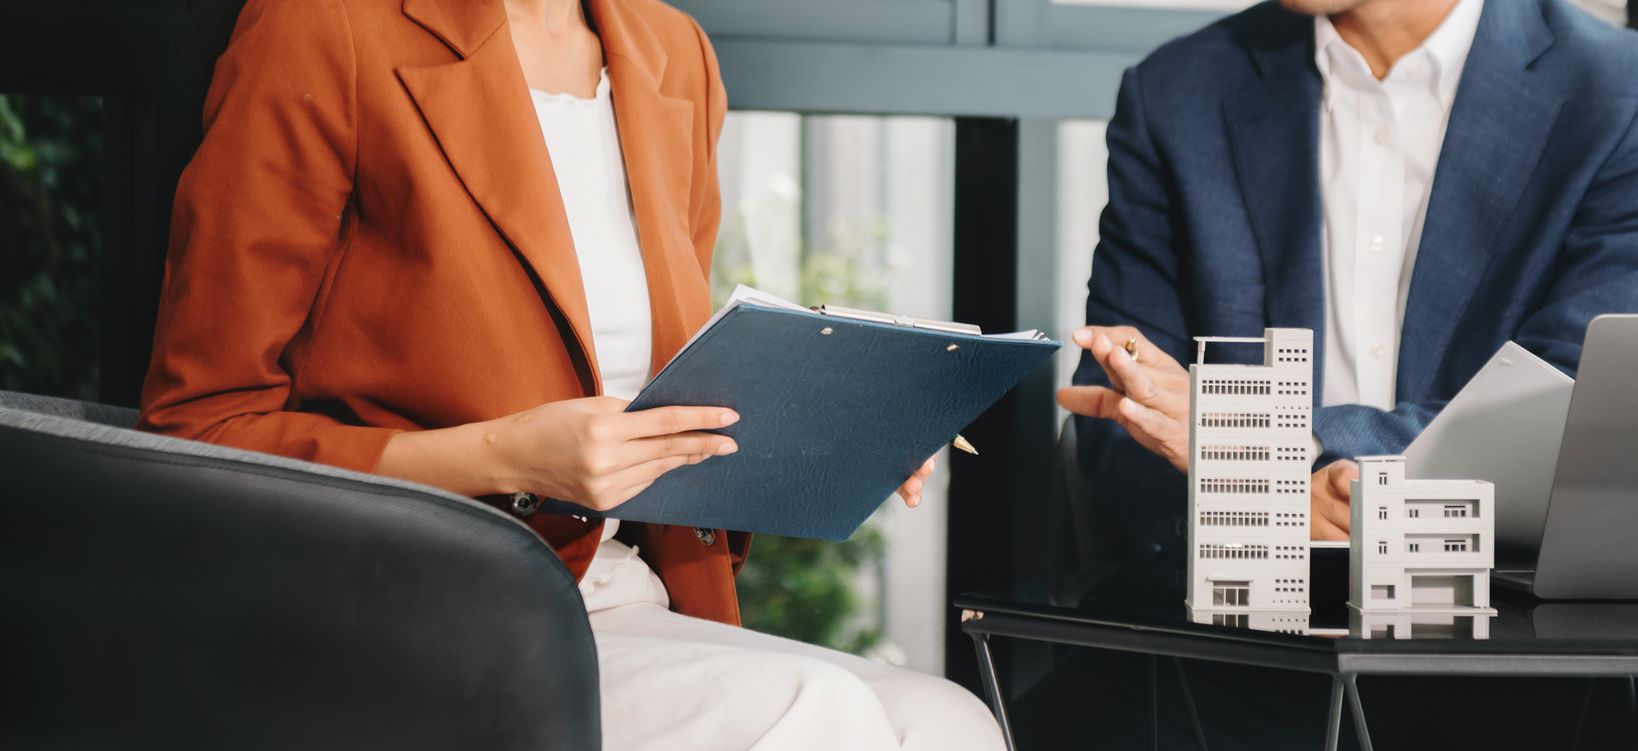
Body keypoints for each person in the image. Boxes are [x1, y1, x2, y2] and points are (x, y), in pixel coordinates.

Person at [136, 1, 1003, 749]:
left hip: (618, 594)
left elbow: (670, 401)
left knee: (947, 721)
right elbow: (201, 427)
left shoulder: (672, 51)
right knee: (820, 714)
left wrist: (835, 429)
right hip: (409, 602)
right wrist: (509, 457)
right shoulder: (327, 25)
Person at [1052, 0, 1638, 748]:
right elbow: (1120, 417)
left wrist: (1277, 452)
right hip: (1258, 630)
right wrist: (1272, 500)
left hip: (1531, 628)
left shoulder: (1628, 95)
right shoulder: (1179, 90)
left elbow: (1578, 406)